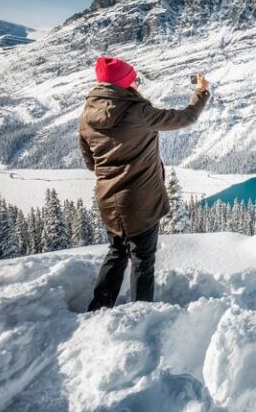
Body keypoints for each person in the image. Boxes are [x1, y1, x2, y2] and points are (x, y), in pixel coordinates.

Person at [79, 57, 210, 311]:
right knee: (142, 260)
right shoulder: (139, 112)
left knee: (117, 252)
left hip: (109, 201)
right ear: (125, 84)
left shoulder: (86, 117)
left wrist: (116, 170)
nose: (136, 84)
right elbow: (186, 117)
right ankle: (141, 316)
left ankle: (98, 308)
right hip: (141, 202)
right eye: (133, 79)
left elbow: (91, 163)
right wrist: (201, 91)